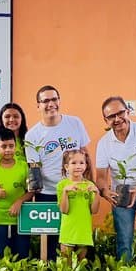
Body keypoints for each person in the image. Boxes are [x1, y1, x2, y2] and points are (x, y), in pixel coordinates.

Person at [26, 85, 90, 259]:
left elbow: (85, 153)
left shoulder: (75, 123)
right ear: (38, 105)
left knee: (77, 236)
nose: (50, 104)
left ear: (59, 101)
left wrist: (88, 183)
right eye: (45, 101)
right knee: (51, 240)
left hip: (76, 190)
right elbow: (34, 167)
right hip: (48, 193)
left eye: (54, 99)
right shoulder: (32, 135)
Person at [94, 96, 136, 261]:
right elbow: (101, 176)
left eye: (120, 113)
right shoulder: (103, 143)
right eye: (111, 116)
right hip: (121, 197)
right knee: (124, 240)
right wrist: (105, 192)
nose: (117, 119)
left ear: (128, 111)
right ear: (105, 120)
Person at [0, 128, 32, 259]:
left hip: (21, 220)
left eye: (11, 146)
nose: (7, 150)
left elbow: (31, 191)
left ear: (16, 147)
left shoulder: (23, 166)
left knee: (22, 256)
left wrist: (19, 201)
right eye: (3, 146)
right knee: (0, 257)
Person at [56, 148, 99, 259]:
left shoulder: (89, 185)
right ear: (66, 167)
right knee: (66, 265)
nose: (78, 166)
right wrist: (66, 192)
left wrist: (97, 193)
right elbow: (64, 210)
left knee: (80, 266)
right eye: (73, 163)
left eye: (81, 163)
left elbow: (94, 210)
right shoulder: (62, 185)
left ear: (85, 165)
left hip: (83, 231)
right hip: (68, 231)